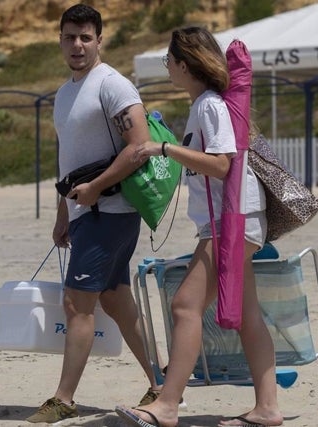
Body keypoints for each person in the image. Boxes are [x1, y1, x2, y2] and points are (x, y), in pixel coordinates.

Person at [115, 27, 283, 427]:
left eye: (168, 61)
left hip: (231, 219)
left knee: (185, 306)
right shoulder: (205, 105)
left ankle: (168, 404)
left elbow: (224, 164)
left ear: (184, 64)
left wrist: (165, 148)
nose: (167, 68)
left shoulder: (209, 105)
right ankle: (267, 408)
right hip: (237, 218)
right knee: (246, 313)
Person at [26, 4, 162, 423]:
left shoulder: (113, 85)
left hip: (112, 209)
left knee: (76, 303)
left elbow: (139, 146)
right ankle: (164, 381)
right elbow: (67, 161)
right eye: (70, 37)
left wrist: (98, 188)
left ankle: (64, 399)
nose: (78, 45)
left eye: (86, 37)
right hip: (85, 211)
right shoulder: (65, 93)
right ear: (60, 40)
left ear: (100, 40)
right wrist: (62, 213)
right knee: (116, 299)